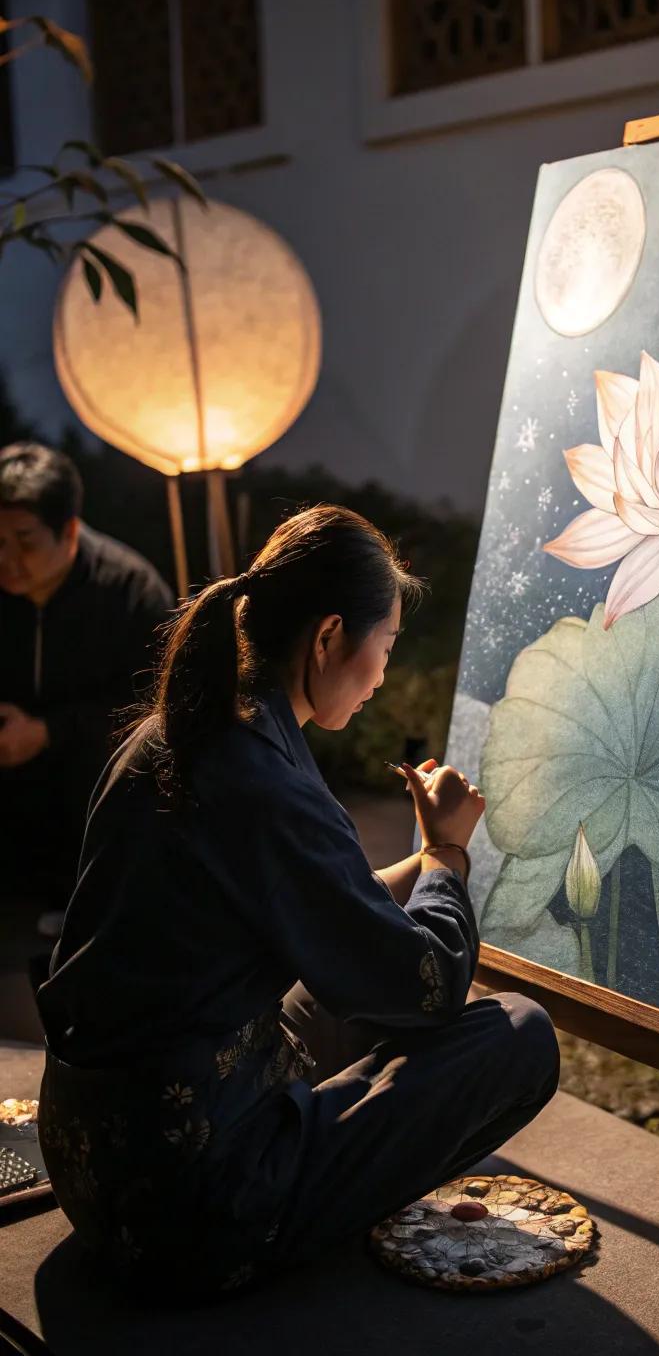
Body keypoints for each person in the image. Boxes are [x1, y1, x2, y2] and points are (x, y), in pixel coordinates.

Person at [35, 503, 560, 1303]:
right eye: (384, 645)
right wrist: (450, 853)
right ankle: (300, 1208)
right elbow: (430, 983)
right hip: (189, 1207)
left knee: (347, 979)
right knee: (519, 1034)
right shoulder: (267, 780)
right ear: (326, 639)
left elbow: (328, 908)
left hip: (90, 1152)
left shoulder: (172, 732)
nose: (384, 673)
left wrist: (419, 862)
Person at [0, 442, 175, 937]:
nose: (6, 558)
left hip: (91, 809)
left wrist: (48, 731)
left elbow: (154, 713)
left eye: (25, 541)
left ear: (70, 530)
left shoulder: (130, 591)